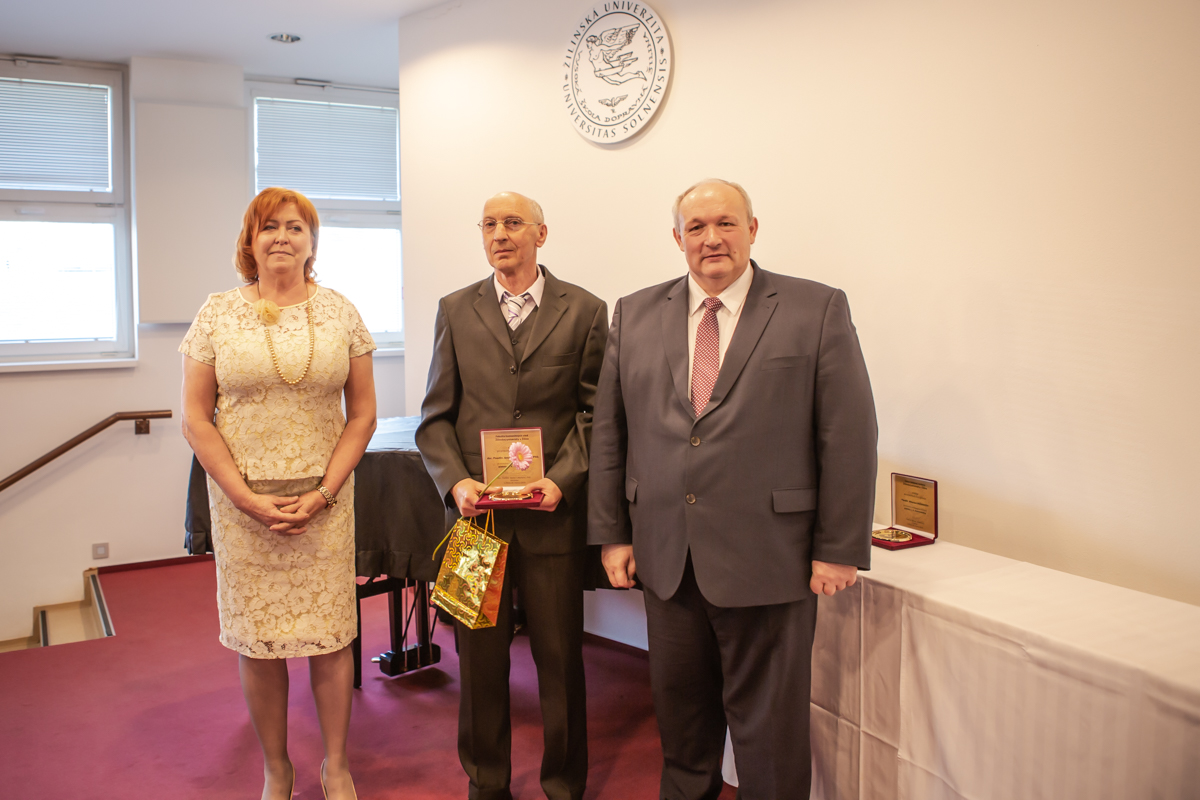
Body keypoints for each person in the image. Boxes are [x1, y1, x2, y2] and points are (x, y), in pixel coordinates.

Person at [588, 179, 877, 800]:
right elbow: (611, 432)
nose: (711, 238)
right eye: (695, 227)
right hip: (668, 560)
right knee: (683, 730)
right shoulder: (634, 313)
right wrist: (613, 534)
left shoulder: (815, 308)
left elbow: (848, 436)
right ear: (677, 239)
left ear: (752, 229)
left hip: (772, 560)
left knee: (768, 737)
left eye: (725, 223)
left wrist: (838, 547)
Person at [180, 187, 377, 800]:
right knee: (259, 644)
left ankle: (336, 766)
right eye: (269, 227)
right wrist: (243, 498)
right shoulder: (216, 313)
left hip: (325, 503)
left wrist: (324, 492)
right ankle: (276, 768)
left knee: (331, 638)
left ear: (312, 242)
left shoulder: (342, 312)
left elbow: (363, 415)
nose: (282, 237)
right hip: (243, 509)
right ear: (251, 240)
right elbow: (195, 418)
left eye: (295, 227)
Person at [416, 191, 607, 800]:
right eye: (490, 224)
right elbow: (435, 419)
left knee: (560, 661)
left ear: (540, 234)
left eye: (514, 223)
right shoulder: (455, 309)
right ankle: (486, 782)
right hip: (476, 523)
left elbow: (595, 414)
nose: (500, 234)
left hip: (552, 519)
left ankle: (564, 784)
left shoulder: (586, 311)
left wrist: (563, 479)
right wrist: (456, 481)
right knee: (477, 664)